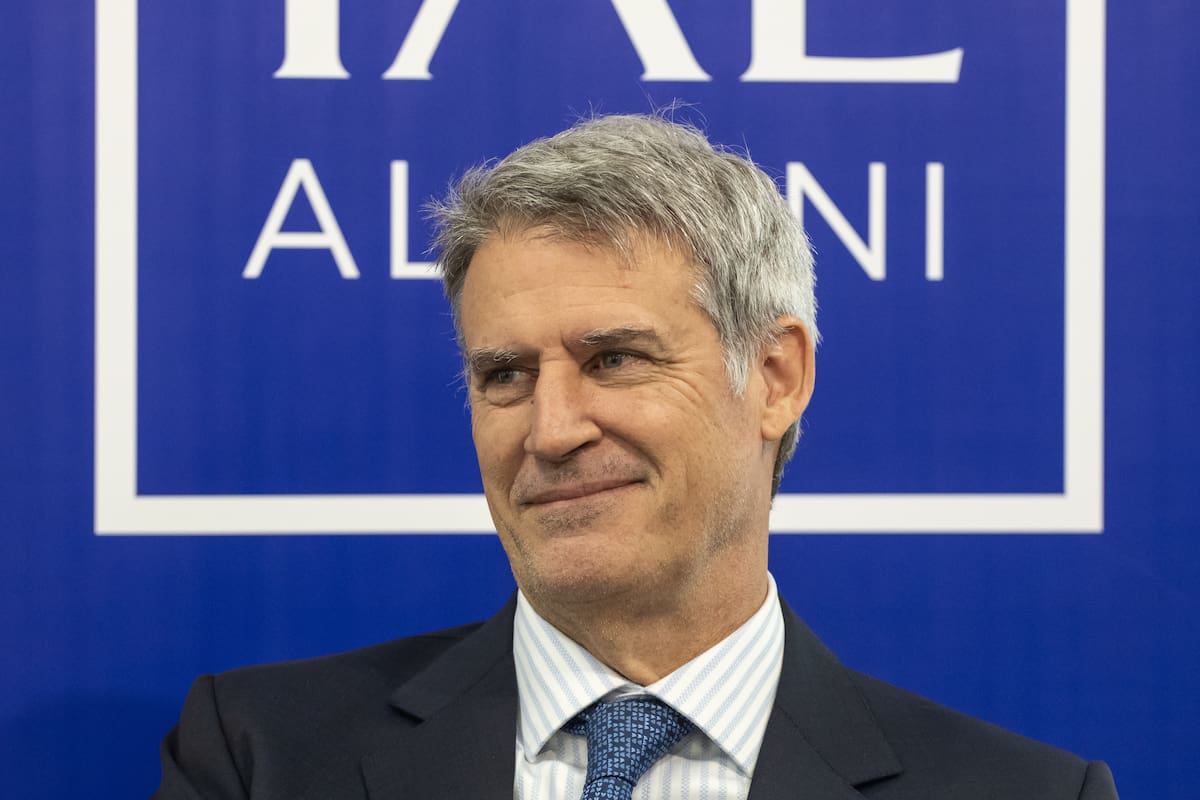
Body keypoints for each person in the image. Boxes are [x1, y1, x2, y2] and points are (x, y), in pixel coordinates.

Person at [155, 114, 1118, 799]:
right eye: (505, 375)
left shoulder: (1022, 791)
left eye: (613, 359)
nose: (552, 428)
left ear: (776, 376)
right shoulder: (261, 758)